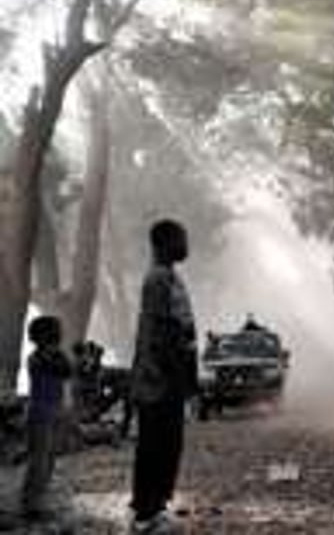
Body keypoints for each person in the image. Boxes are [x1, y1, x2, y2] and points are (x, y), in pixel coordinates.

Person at [129, 219, 198, 533]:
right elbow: (160, 332)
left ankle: (155, 506)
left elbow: (181, 329)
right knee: (156, 444)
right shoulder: (158, 279)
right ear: (163, 243)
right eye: (180, 239)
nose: (185, 245)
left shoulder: (171, 277)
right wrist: (177, 376)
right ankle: (147, 513)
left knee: (168, 444)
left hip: (168, 376)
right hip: (159, 379)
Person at [22, 315, 72, 521]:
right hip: (39, 414)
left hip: (53, 412)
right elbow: (61, 370)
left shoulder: (55, 356)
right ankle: (31, 502)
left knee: (48, 460)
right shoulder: (36, 358)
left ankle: (38, 498)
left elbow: (67, 371)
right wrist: (55, 355)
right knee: (39, 461)